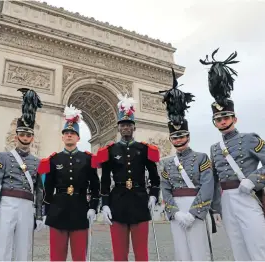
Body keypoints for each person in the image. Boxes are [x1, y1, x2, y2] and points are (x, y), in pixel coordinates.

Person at [200, 49, 265, 261]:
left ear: (234, 119)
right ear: (214, 122)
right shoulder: (214, 148)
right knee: (239, 250)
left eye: (226, 117)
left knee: (259, 248)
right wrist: (215, 207)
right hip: (227, 202)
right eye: (218, 119)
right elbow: (215, 179)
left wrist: (253, 181)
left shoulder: (249, 138)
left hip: (247, 196)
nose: (222, 122)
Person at [94, 94, 160, 261]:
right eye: (123, 125)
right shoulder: (109, 150)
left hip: (140, 200)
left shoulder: (145, 149)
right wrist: (105, 204)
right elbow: (106, 180)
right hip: (118, 202)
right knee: (119, 253)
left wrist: (153, 195)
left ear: (134, 128)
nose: (126, 128)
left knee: (141, 252)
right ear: (118, 128)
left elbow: (154, 176)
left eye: (129, 125)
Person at [159, 68, 214, 261]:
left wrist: (195, 212)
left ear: (188, 136)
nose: (178, 139)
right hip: (177, 209)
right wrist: (174, 212)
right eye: (174, 136)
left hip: (195, 207)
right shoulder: (167, 163)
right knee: (181, 252)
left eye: (181, 135)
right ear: (170, 139)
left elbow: (208, 186)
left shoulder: (202, 158)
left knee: (200, 252)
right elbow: (165, 188)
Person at [0, 88, 44, 261]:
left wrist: (39, 214)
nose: (25, 137)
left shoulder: (37, 162)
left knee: (24, 248)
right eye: (22, 134)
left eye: (28, 135)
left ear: (32, 138)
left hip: (27, 206)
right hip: (7, 204)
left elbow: (39, 190)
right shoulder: (4, 157)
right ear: (16, 136)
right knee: (1, 246)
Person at [37, 105, 100, 261]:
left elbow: (95, 186)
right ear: (62, 137)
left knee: (79, 256)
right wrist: (46, 211)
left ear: (78, 138)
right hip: (58, 211)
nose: (69, 135)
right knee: (57, 257)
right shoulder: (53, 160)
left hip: (80, 211)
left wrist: (93, 207)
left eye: (73, 133)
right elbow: (48, 189)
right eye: (66, 133)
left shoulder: (88, 159)